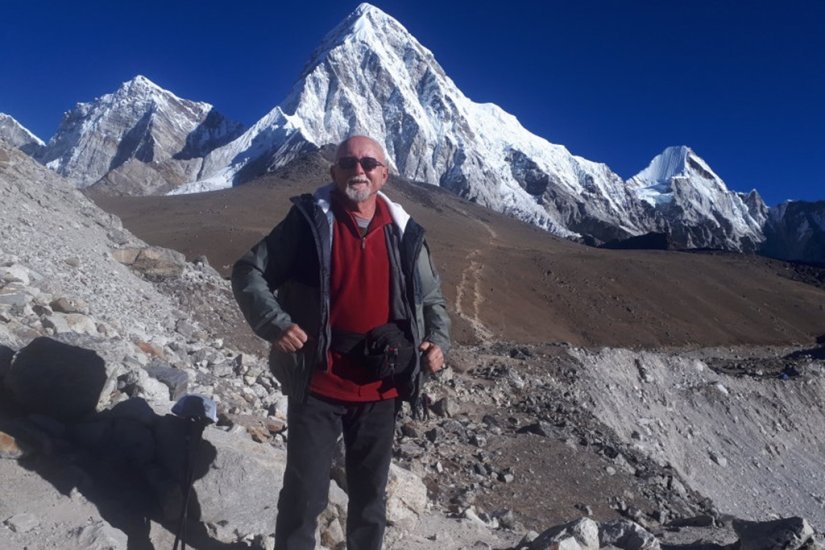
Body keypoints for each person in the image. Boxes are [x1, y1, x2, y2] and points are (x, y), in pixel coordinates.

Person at [231, 135, 451, 550]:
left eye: (369, 163)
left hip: (381, 386)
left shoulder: (405, 233)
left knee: (370, 499)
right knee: (304, 495)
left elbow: (433, 299)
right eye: (348, 163)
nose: (359, 171)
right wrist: (274, 322)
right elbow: (248, 271)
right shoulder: (308, 223)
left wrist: (438, 341)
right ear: (334, 173)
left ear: (384, 175)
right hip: (318, 382)